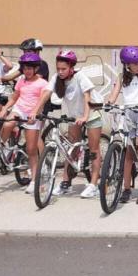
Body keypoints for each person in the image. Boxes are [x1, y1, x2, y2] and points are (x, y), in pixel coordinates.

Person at [39, 50, 103, 199]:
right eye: (58, 69)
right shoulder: (57, 78)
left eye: (64, 69)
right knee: (71, 149)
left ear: (71, 68)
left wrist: (86, 116)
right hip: (75, 116)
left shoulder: (80, 77)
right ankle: (65, 183)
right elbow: (46, 93)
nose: (60, 72)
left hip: (91, 114)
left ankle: (93, 184)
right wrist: (35, 111)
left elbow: (87, 97)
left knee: (94, 150)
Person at [106, 46, 138, 205]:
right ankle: (126, 188)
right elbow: (115, 93)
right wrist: (109, 103)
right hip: (128, 113)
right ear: (127, 64)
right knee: (128, 153)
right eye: (135, 63)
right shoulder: (122, 76)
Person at [0, 52, 49, 195]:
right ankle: (3, 148)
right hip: (19, 109)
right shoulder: (21, 81)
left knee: (31, 150)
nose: (27, 71)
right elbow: (14, 98)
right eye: (25, 68)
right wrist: (4, 109)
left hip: (33, 114)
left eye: (29, 68)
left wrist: (35, 113)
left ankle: (34, 181)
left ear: (36, 69)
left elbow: (42, 101)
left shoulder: (42, 83)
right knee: (7, 123)